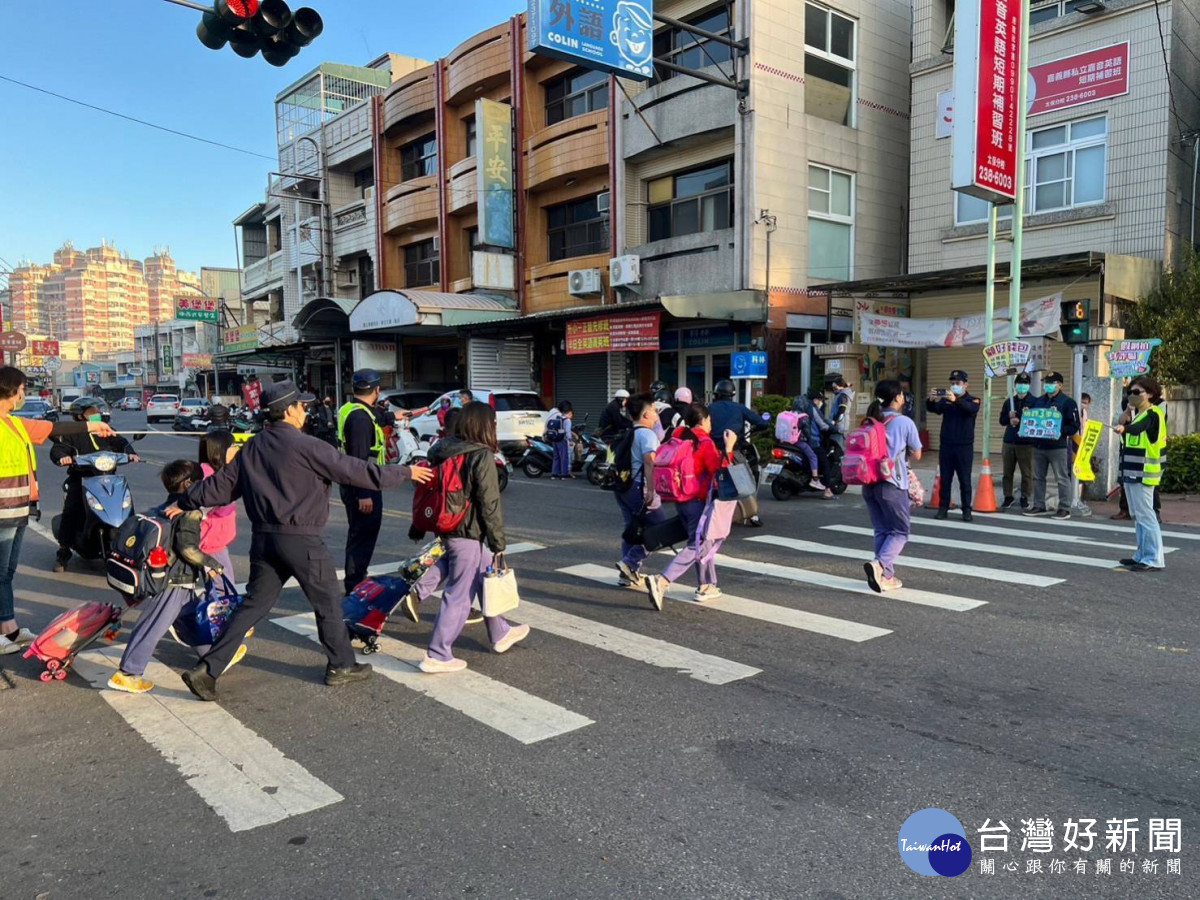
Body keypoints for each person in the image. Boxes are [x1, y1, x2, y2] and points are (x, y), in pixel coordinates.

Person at [168, 379, 435, 701]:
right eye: (302, 406)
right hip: (301, 541)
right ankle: (341, 666)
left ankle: (208, 670)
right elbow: (355, 470)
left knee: (252, 606)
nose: (305, 412)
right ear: (290, 410)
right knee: (327, 605)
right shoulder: (308, 446)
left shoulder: (252, 446)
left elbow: (218, 488)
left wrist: (183, 502)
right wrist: (405, 473)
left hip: (265, 541)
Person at [0, 368, 117, 654]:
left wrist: (92, 427)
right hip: (1, 510)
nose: (24, 395)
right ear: (12, 390)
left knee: (7, 573)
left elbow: (53, 429)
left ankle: (10, 629)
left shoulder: (13, 423)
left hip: (17, 509)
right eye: (23, 389)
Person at [106, 460, 247, 694]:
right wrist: (212, 565)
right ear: (189, 484)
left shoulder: (167, 505)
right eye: (201, 481)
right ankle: (128, 673)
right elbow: (188, 548)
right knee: (154, 623)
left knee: (192, 616)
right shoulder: (189, 511)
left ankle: (213, 657)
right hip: (175, 581)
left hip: (180, 579)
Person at [415, 402, 529, 672]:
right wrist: (499, 542)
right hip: (468, 532)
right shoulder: (480, 455)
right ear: (484, 425)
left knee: (483, 577)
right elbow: (489, 503)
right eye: (493, 422)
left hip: (447, 526)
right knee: (460, 594)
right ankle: (437, 653)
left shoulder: (441, 450)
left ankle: (500, 632)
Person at [644, 403, 737, 608]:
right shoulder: (703, 442)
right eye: (710, 420)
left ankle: (707, 585)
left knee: (705, 540)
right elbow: (719, 470)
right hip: (696, 500)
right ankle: (662, 580)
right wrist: (729, 448)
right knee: (698, 545)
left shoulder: (679, 436)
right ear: (703, 420)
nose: (711, 423)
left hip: (680, 499)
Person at [50, 404, 138, 572]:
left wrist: (130, 453)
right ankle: (63, 551)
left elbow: (121, 442)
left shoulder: (105, 430)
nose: (96, 415)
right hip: (82, 478)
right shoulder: (71, 434)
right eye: (92, 413)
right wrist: (63, 458)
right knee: (71, 510)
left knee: (126, 506)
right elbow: (58, 449)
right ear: (80, 417)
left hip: (109, 477)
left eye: (97, 413)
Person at [337, 369, 396, 594]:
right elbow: (359, 459)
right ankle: (354, 584)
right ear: (377, 390)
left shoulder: (351, 409)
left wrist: (397, 416)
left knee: (359, 536)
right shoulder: (361, 419)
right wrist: (364, 494)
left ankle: (357, 577)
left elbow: (376, 417)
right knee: (362, 538)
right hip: (364, 487)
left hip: (355, 484)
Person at [862, 380, 923, 592]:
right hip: (892, 483)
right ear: (897, 398)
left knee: (882, 529)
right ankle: (879, 565)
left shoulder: (870, 420)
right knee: (900, 531)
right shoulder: (905, 422)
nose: (904, 398)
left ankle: (886, 576)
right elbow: (917, 454)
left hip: (868, 483)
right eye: (902, 394)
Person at [614, 394, 669, 595]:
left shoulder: (629, 431)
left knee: (632, 528)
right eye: (654, 410)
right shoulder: (647, 435)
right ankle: (629, 563)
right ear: (646, 413)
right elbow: (649, 462)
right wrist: (652, 490)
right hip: (639, 488)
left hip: (623, 487)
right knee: (660, 529)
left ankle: (627, 574)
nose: (656, 413)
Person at [1113, 376, 1167, 571]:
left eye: (1137, 392)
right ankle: (1142, 555)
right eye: (1130, 392)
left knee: (1146, 515)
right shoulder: (1137, 413)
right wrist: (1128, 412)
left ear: (1150, 394)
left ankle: (1153, 558)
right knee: (1138, 515)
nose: (1132, 395)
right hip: (1132, 470)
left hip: (1145, 471)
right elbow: (1128, 424)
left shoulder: (1153, 414)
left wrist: (1126, 428)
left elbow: (1138, 429)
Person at [709, 378, 769, 528]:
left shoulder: (710, 408)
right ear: (732, 394)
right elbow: (762, 423)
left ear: (716, 394)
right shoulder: (739, 408)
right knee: (746, 481)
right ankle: (752, 515)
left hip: (711, 451)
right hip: (733, 452)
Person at [1024, 372, 1081, 519]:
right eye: (1046, 382)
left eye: (1051, 382)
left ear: (1060, 385)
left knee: (1061, 478)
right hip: (1039, 445)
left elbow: (1074, 425)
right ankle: (1038, 505)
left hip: (1058, 446)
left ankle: (1064, 508)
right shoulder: (1039, 401)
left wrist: (1059, 430)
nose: (1047, 385)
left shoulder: (1068, 402)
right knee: (1038, 477)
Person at [926, 369, 981, 521]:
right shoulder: (946, 400)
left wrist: (956, 400)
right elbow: (934, 409)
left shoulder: (973, 400)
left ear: (965, 384)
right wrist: (930, 399)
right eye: (952, 383)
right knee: (945, 479)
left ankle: (966, 510)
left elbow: (970, 410)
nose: (954, 386)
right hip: (947, 445)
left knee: (965, 480)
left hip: (964, 446)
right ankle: (943, 508)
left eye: (957, 383)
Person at [998, 373, 1035, 510]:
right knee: (1007, 471)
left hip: (1026, 442)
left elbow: (1036, 423)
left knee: (1026, 472)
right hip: (1009, 441)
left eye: (1025, 384)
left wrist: (1021, 421)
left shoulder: (1034, 402)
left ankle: (1025, 496)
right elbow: (1001, 421)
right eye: (1019, 383)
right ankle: (1008, 496)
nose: (1022, 386)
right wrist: (1009, 418)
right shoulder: (1009, 402)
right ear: (1015, 385)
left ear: (1029, 385)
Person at [825, 374, 855, 451]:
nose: (833, 388)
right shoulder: (840, 394)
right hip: (839, 424)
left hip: (840, 426)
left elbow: (842, 409)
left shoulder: (843, 395)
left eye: (835, 386)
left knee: (840, 447)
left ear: (839, 386)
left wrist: (834, 421)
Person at [548, 400, 574, 480]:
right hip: (562, 440)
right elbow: (568, 432)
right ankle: (563, 474)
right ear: (569, 412)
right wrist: (570, 440)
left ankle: (554, 474)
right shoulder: (567, 420)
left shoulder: (558, 417)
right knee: (564, 457)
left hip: (555, 439)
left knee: (556, 457)